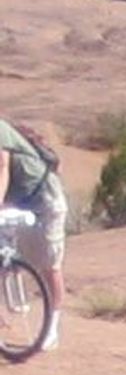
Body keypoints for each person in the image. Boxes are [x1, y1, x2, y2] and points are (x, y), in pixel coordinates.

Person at [0, 116, 65, 350]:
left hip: (44, 199)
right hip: (19, 200)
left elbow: (2, 167)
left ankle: (52, 329)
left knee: (49, 265)